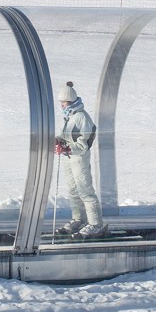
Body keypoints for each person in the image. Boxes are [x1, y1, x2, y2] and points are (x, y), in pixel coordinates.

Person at [55, 81, 107, 238]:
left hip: (79, 158)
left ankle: (96, 224)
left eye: (64, 102)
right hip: (68, 158)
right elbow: (66, 136)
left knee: (85, 190)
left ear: (71, 101)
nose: (62, 105)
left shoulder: (81, 117)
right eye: (61, 103)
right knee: (73, 190)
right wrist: (58, 141)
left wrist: (69, 148)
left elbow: (85, 142)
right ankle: (79, 219)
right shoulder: (69, 117)